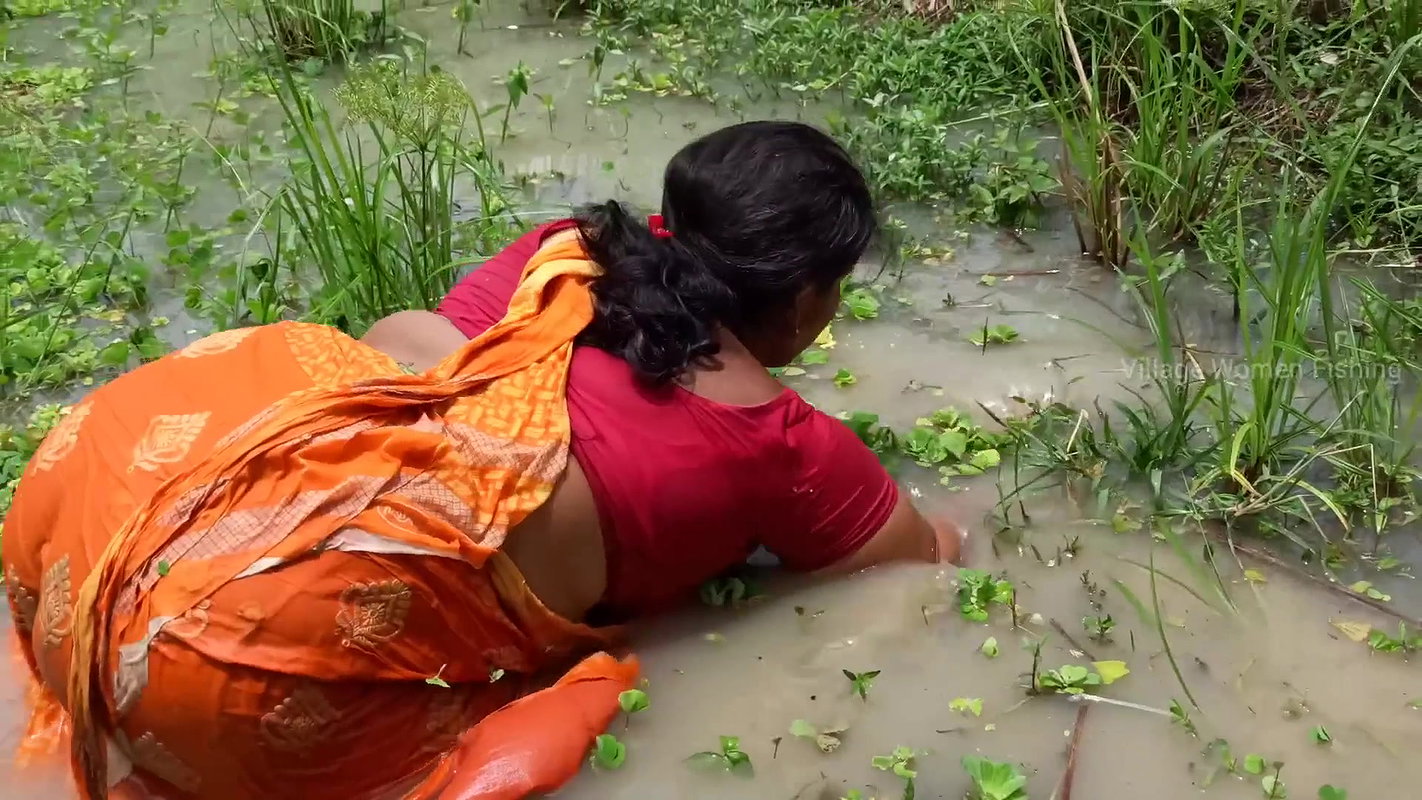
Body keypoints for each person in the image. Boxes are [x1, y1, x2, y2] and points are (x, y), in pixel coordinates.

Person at [3, 120, 963, 800]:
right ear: (802, 301)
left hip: (91, 481)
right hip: (221, 672)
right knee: (585, 691)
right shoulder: (782, 444)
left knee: (403, 349)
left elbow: (422, 346)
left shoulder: (564, 253)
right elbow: (916, 565)